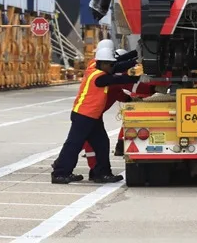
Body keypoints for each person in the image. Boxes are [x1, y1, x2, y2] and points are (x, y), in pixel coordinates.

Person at [50, 46, 140, 184]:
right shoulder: (99, 77)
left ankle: (101, 173)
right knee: (73, 144)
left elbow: (118, 64)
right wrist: (138, 73)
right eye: (111, 65)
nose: (113, 67)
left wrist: (136, 55)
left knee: (102, 144)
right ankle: (60, 173)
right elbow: (119, 79)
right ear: (103, 64)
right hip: (84, 116)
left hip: (92, 116)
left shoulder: (94, 64)